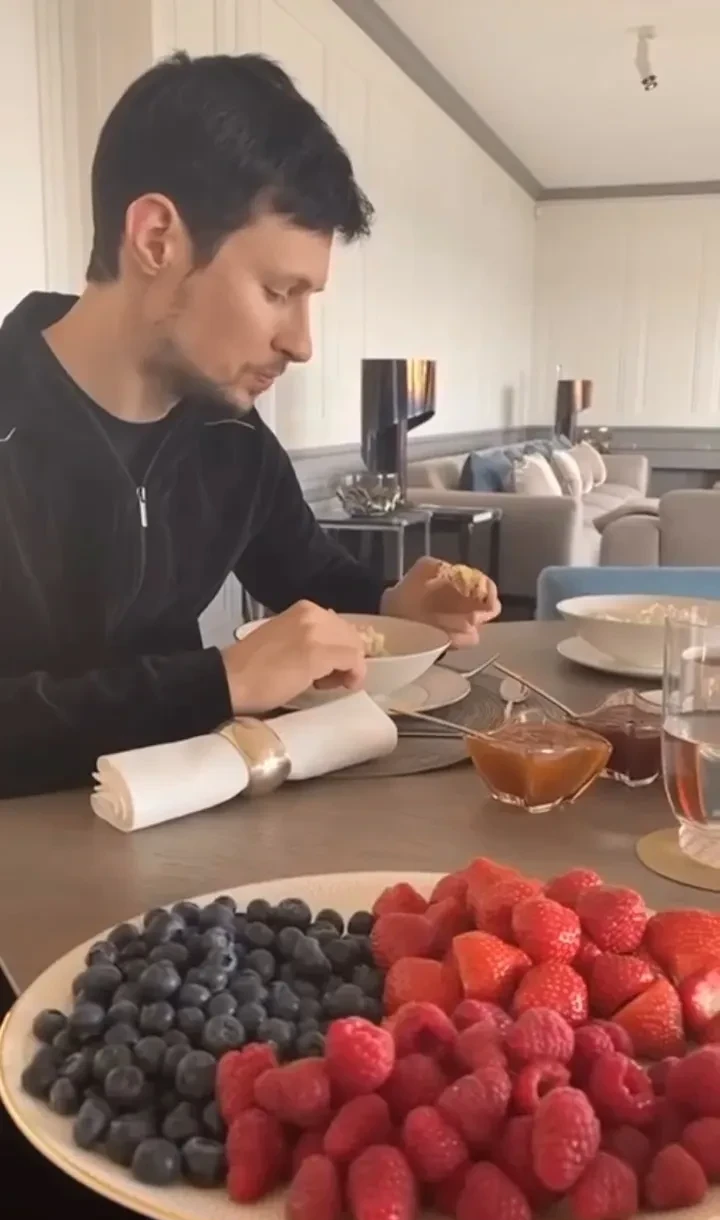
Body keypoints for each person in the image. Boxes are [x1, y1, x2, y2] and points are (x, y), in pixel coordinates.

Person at [0, 51, 499, 801]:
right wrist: (219, 683)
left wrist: (393, 605)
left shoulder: (231, 436)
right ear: (157, 239)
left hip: (189, 828)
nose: (301, 343)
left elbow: (314, 577)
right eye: (277, 290)